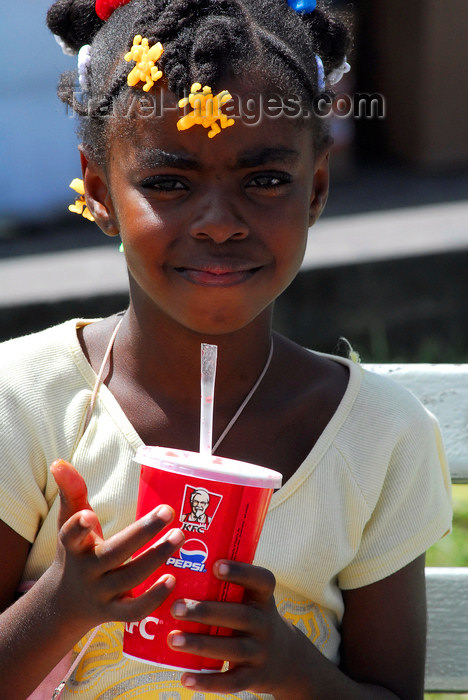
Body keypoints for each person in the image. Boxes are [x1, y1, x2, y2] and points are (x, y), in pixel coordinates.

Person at [0, 0, 452, 698]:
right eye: (168, 184)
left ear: (317, 188)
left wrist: (290, 667)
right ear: (98, 192)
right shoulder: (25, 404)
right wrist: (63, 603)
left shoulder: (378, 437)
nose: (218, 224)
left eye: (265, 180)